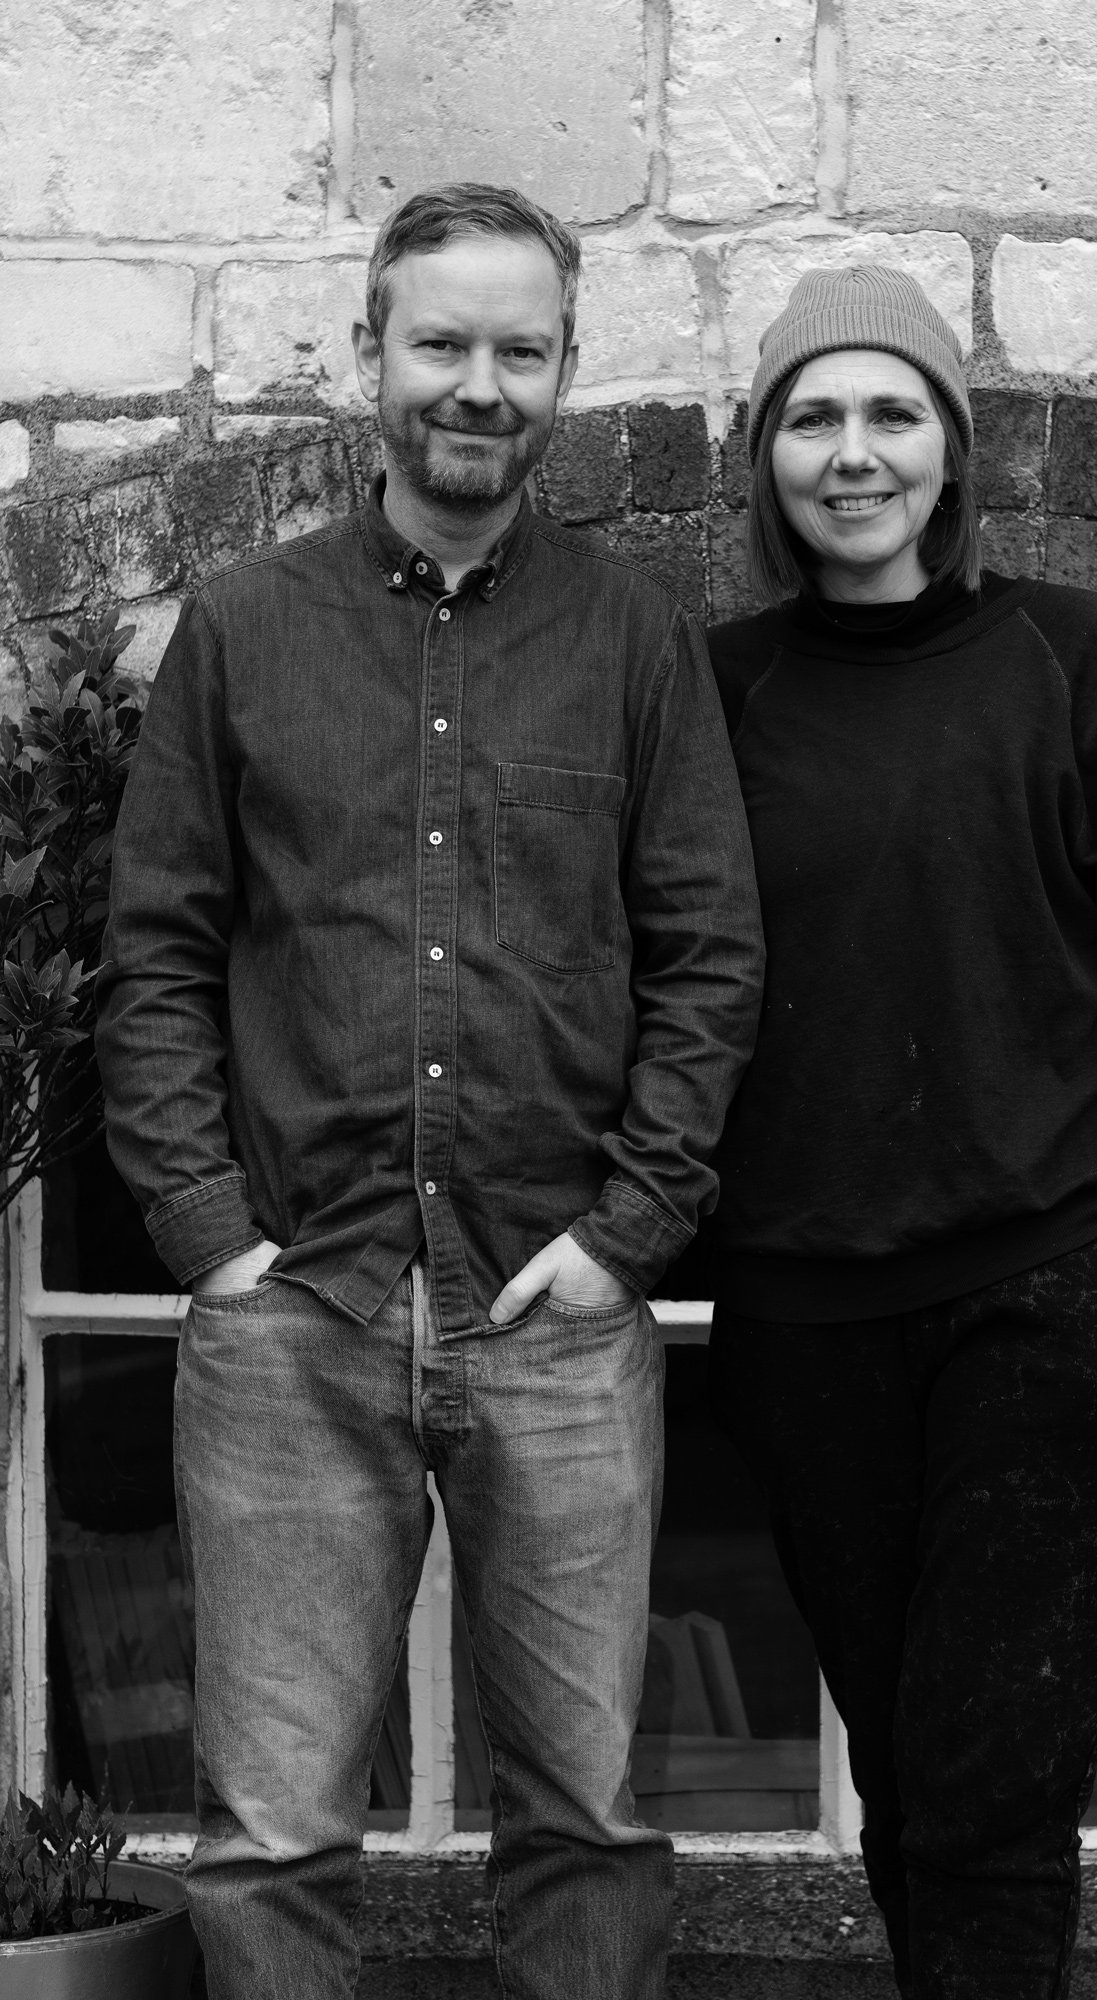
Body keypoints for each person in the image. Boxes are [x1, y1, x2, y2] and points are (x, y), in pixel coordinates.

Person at [95, 183, 764, 2000]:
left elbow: (707, 957)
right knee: (276, 1838)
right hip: (292, 1311)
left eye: (518, 350)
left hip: (553, 1303)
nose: (479, 384)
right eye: (443, 344)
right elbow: (154, 954)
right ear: (368, 356)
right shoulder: (244, 629)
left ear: (565, 371)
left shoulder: (636, 642)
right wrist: (209, 1237)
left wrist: (629, 1233)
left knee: (589, 1819)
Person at [704, 265, 1097, 2000]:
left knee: (989, 1781)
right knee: (910, 1772)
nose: (850, 454)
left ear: (949, 456)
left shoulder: (1063, 651)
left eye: (891, 416)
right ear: (767, 457)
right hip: (806, 1311)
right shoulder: (712, 690)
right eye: (813, 416)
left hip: (1052, 1287)